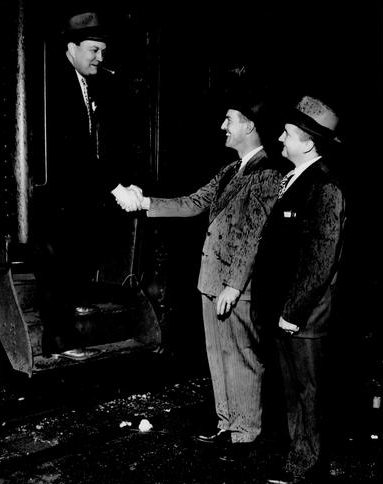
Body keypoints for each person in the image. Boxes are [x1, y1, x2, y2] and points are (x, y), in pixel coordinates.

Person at [113, 87, 287, 461]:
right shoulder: (230, 171)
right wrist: (143, 202)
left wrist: (235, 285)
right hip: (211, 279)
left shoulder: (268, 174)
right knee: (217, 354)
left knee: (240, 355)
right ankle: (227, 423)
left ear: (251, 126)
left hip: (234, 286)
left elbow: (254, 235)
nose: (223, 126)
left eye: (230, 119)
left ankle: (246, 432)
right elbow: (193, 204)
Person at [32, 9, 141, 360]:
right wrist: (114, 187)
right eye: (94, 50)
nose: (100, 58)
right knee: (56, 264)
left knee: (72, 260)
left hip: (75, 196)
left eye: (103, 52)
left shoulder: (86, 82)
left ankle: (67, 329)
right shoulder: (53, 83)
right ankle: (58, 342)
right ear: (72, 48)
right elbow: (73, 150)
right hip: (54, 197)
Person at [251, 95, 346, 484]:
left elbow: (321, 262)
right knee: (293, 391)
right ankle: (299, 454)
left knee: (308, 393)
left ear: (307, 142)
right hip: (287, 310)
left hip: (304, 316)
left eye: (287, 133)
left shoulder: (324, 187)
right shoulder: (297, 180)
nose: (279, 138)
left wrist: (292, 312)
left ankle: (307, 463)